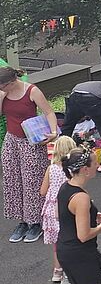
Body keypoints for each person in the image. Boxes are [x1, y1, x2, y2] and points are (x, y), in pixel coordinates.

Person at [48, 147, 101, 284]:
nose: (98, 165)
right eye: (95, 163)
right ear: (85, 170)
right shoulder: (81, 197)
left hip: (66, 251)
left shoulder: (66, 187)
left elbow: (62, 214)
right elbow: (83, 235)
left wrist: (92, 215)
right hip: (80, 254)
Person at [0, 66, 58, 243]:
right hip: (12, 140)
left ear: (10, 83)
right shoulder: (3, 94)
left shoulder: (32, 91)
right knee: (12, 180)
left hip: (31, 141)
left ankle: (36, 222)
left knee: (32, 181)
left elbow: (48, 112)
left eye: (1, 85)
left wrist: (53, 132)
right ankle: (23, 220)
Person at [41, 135, 77, 284]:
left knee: (57, 243)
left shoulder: (51, 169)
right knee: (69, 241)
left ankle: (57, 272)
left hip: (50, 211)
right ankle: (68, 275)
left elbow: (42, 191)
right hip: (65, 209)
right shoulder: (71, 170)